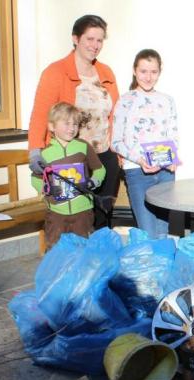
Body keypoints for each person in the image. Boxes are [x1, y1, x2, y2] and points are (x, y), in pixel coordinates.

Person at [27, 14, 120, 230]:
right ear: (75, 39)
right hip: (73, 157)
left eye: (99, 40)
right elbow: (40, 114)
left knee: (102, 216)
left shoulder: (106, 72)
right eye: (90, 39)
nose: (95, 45)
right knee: (76, 219)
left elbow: (116, 114)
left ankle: (99, 252)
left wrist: (118, 152)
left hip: (104, 156)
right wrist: (35, 150)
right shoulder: (55, 72)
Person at [111, 49, 180, 239]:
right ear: (134, 71)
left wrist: (173, 158)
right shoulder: (125, 101)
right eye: (143, 71)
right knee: (148, 233)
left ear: (160, 72)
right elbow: (115, 142)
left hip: (165, 173)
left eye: (153, 72)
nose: (148, 77)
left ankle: (163, 260)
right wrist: (140, 160)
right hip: (137, 172)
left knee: (162, 232)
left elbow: (173, 135)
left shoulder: (168, 100)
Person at [31, 102, 105, 249]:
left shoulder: (83, 147)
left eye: (75, 124)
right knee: (56, 249)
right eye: (66, 124)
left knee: (83, 249)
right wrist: (46, 189)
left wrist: (93, 182)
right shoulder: (45, 154)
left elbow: (100, 170)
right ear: (52, 126)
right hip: (57, 213)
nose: (72, 128)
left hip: (83, 210)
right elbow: (35, 178)